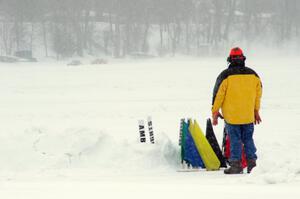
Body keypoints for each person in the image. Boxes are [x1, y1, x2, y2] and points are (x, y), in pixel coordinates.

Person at [211, 47, 262, 174]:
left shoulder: (225, 76)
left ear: (230, 60)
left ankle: (236, 165)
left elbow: (218, 96)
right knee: (248, 139)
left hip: (232, 117)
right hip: (248, 116)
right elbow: (258, 94)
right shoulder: (253, 75)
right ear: (243, 58)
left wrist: (215, 112)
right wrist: (256, 111)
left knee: (235, 141)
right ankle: (252, 165)